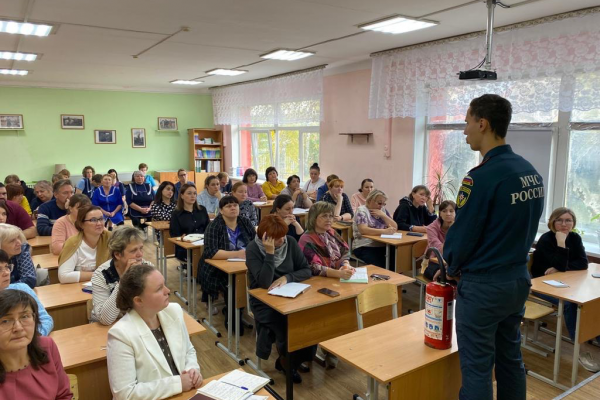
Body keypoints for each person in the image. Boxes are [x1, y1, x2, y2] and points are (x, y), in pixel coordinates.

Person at [442, 94, 544, 400]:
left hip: (484, 287)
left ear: (482, 123)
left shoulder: (481, 178)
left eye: (467, 122)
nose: (464, 131)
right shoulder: (530, 172)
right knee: (511, 360)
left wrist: (452, 265)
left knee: (477, 369)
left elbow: (460, 239)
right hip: (516, 281)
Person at [107, 264, 201, 399]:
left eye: (164, 284)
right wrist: (178, 383)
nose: (167, 290)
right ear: (139, 301)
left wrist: (192, 370)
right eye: (159, 289)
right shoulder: (121, 334)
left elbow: (188, 351)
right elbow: (125, 394)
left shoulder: (173, 311)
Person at [246, 215, 316, 383]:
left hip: (292, 295)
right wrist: (269, 253)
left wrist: (287, 277)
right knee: (286, 324)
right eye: (277, 238)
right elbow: (264, 282)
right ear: (265, 237)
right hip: (263, 301)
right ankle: (287, 362)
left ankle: (296, 358)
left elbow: (306, 270)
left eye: (283, 235)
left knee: (311, 318)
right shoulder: (253, 249)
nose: (282, 240)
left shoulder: (290, 242)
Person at [531, 207, 600, 372]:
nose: (564, 224)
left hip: (565, 284)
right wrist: (561, 243)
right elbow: (560, 266)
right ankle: (581, 350)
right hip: (541, 287)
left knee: (591, 302)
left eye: (568, 220)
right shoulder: (546, 240)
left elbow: (583, 263)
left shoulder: (575, 238)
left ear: (573, 223)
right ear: (552, 222)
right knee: (571, 305)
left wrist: (561, 268)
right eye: (560, 220)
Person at [0, 290, 72, 399]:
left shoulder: (47, 346)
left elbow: (63, 395)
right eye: (6, 321)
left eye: (24, 316)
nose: (18, 328)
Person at [199, 196, 256, 318]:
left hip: (245, 263)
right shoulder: (214, 225)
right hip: (218, 266)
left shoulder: (244, 222)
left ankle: (248, 308)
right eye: (228, 206)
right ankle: (233, 315)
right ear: (221, 210)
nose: (233, 208)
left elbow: (256, 241)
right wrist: (237, 254)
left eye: (235, 205)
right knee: (233, 282)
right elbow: (210, 252)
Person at [91, 226, 152, 325]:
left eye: (141, 248)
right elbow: (105, 319)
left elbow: (155, 305)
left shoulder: (147, 268)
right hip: (109, 326)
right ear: (117, 255)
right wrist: (123, 280)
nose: (140, 254)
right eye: (133, 251)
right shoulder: (101, 275)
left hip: (136, 322)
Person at [0, 249, 53, 335]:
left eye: (7, 267)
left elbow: (45, 320)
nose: (6, 273)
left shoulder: (22, 288)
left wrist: (32, 340)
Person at [298, 201, 353, 278]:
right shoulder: (306, 239)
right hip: (319, 278)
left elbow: (344, 250)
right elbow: (313, 267)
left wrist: (345, 264)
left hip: (338, 274)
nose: (328, 219)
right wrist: (338, 273)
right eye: (324, 216)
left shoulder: (331, 231)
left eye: (331, 216)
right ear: (314, 218)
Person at [58, 205, 111, 283]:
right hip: (78, 289)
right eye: (93, 220)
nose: (99, 223)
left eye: (101, 219)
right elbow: (64, 276)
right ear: (81, 224)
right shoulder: (73, 243)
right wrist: (101, 275)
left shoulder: (111, 239)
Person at [352, 190, 397, 269]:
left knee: (396, 258)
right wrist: (384, 231)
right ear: (370, 200)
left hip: (382, 244)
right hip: (365, 245)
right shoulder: (362, 211)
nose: (381, 206)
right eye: (379, 203)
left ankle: (394, 279)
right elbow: (363, 230)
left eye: (384, 204)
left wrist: (383, 215)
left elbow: (395, 227)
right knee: (381, 265)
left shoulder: (382, 210)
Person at [170, 184, 210, 263]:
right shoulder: (176, 214)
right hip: (185, 248)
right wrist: (182, 239)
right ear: (182, 196)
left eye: (195, 193)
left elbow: (208, 228)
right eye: (189, 193)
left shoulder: (202, 210)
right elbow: (174, 235)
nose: (193, 196)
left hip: (203, 244)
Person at [423, 200, 456, 280]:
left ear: (456, 213)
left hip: (452, 262)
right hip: (433, 261)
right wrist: (451, 232)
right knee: (444, 277)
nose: (448, 214)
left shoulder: (460, 226)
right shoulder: (431, 228)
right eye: (444, 211)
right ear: (440, 213)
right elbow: (440, 251)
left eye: (451, 211)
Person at [0, 224, 36, 288]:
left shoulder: (22, 250)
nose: (19, 243)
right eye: (12, 241)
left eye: (18, 238)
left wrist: (4, 288)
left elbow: (30, 280)